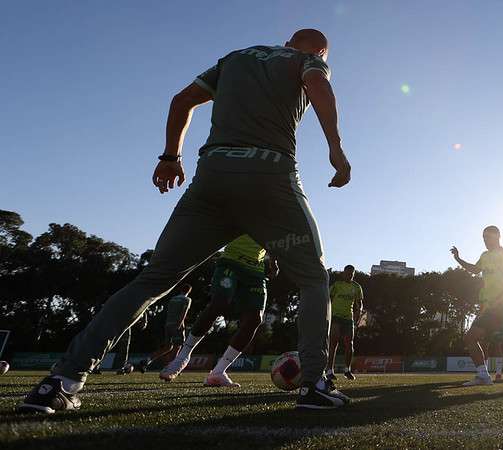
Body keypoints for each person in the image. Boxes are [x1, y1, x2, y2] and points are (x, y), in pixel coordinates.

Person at [18, 29, 352, 413]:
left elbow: (182, 101)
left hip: (211, 178)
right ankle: (314, 384)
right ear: (322, 51)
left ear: (286, 40)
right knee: (312, 278)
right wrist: (336, 149)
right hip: (269, 177)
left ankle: (61, 381)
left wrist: (170, 156)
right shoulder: (308, 62)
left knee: (153, 280)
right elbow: (318, 87)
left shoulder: (235, 58)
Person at [160, 235, 273, 387]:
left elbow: (274, 237)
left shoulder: (279, 214)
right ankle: (182, 357)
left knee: (255, 319)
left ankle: (219, 372)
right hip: (230, 262)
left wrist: (274, 260)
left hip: (255, 269)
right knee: (219, 304)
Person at [451, 226, 503, 386]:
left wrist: (500, 302)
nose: (485, 240)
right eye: (483, 237)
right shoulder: (485, 255)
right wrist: (458, 258)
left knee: (473, 338)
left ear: (498, 236)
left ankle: (484, 375)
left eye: (488, 237)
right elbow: (474, 269)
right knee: (473, 338)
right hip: (492, 307)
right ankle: (483, 375)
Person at [135, 284, 193, 373]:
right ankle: (170, 368)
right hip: (177, 325)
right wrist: (181, 325)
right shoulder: (187, 300)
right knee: (177, 347)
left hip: (168, 325)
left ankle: (147, 360)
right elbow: (183, 313)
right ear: (189, 291)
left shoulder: (173, 299)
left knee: (168, 347)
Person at [325, 265, 364, 381]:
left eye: (352, 273)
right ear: (344, 273)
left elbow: (359, 302)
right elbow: (328, 299)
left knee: (349, 345)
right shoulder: (337, 285)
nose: (350, 275)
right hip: (335, 317)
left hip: (348, 319)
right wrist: (327, 314)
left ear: (354, 274)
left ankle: (347, 370)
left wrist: (359, 312)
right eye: (348, 273)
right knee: (333, 343)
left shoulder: (357, 287)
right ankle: (330, 371)